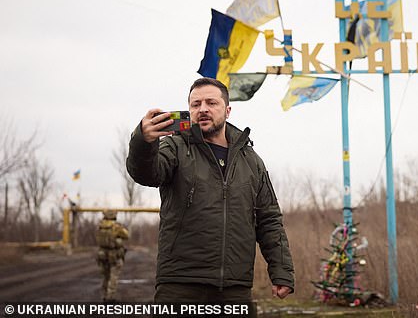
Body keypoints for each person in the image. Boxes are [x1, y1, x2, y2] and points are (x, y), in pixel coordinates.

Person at [126, 77, 294, 306]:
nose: (203, 109)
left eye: (211, 103)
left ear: (227, 110)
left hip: (235, 288)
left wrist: (281, 270)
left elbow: (269, 219)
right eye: (196, 105)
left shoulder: (251, 161)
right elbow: (146, 174)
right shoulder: (175, 147)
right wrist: (143, 141)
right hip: (180, 285)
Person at [96, 209, 129, 303]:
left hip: (102, 255)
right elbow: (127, 235)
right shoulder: (116, 227)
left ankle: (104, 296)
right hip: (115, 255)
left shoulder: (100, 226)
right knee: (113, 277)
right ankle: (110, 298)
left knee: (105, 277)